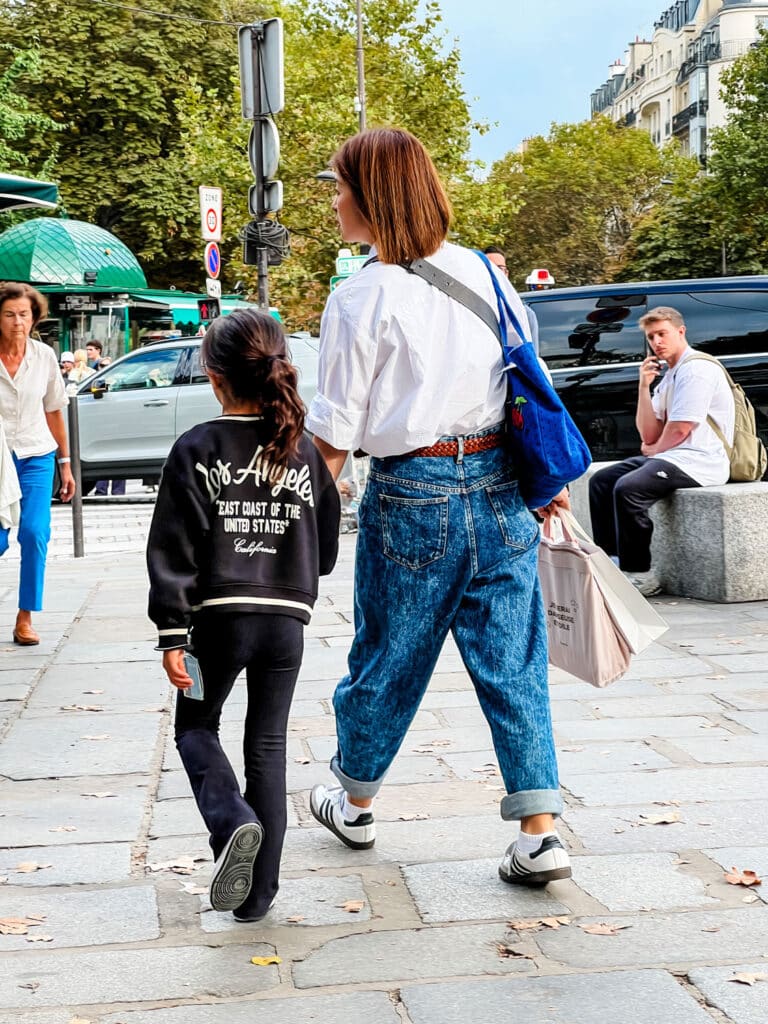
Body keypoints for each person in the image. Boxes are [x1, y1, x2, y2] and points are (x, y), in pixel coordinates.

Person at [306, 128, 572, 888]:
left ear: (373, 195)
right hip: (498, 487)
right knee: (514, 662)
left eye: (339, 186)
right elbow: (531, 383)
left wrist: (292, 519)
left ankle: (355, 803)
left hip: (413, 493)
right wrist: (544, 485)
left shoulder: (360, 295)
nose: (333, 200)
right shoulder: (486, 276)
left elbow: (336, 434)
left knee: (389, 656)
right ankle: (539, 831)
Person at [146, 309, 340, 920]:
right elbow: (327, 550)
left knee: (195, 728)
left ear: (213, 375)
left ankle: (231, 820)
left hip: (218, 621)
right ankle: (258, 897)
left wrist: (172, 631)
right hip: (287, 622)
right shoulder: (303, 451)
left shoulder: (198, 447)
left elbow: (173, 546)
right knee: (269, 745)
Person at [589, 306, 735, 596]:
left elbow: (681, 427)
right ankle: (612, 563)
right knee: (601, 481)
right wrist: (644, 386)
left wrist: (653, 450)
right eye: (651, 336)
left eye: (662, 334)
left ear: (681, 332)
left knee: (628, 488)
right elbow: (648, 432)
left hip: (700, 461)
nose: (657, 341)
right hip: (673, 457)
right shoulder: (669, 375)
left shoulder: (697, 369)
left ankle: (641, 573)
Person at [0, 282, 76, 644]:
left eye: (24, 315)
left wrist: (65, 463)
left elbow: (54, 412)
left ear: (34, 317)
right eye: (9, 314)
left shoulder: (44, 356)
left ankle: (25, 616)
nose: (17, 322)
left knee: (34, 533)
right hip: (0, 459)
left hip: (36, 455)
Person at [483, 246, 541, 355]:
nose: (494, 272)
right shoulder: (472, 312)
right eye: (488, 268)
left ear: (506, 273)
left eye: (499, 268)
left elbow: (532, 358)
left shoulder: (524, 314)